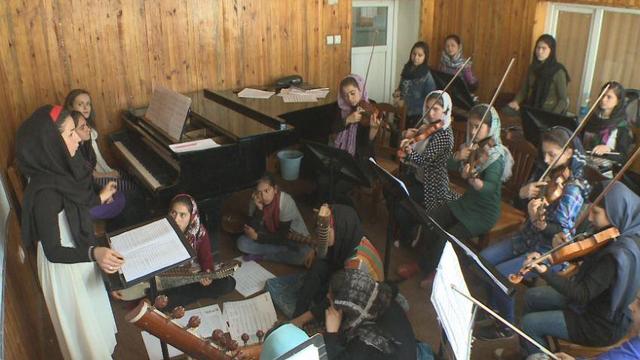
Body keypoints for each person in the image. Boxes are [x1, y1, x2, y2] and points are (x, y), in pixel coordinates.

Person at [16, 105, 123, 359]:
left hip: (81, 253)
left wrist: (99, 199)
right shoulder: (45, 193)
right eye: (70, 133)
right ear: (51, 143)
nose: (77, 137)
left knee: (97, 326)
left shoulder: (60, 170)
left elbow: (75, 203)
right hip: (66, 268)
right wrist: (94, 252)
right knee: (85, 336)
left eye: (75, 130)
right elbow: (53, 251)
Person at [478, 126, 590, 337]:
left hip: (548, 252)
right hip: (526, 238)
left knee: (503, 274)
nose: (546, 160)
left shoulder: (574, 188)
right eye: (544, 153)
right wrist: (522, 193)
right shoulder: (543, 172)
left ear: (569, 153)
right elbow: (525, 207)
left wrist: (539, 222)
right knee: (483, 260)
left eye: (552, 155)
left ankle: (506, 326)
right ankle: (493, 310)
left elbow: (562, 235)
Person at [397, 104, 513, 287]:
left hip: (484, 212)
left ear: (491, 128)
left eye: (478, 127)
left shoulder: (496, 156)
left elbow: (490, 188)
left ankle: (437, 271)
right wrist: (458, 156)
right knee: (432, 218)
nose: (473, 131)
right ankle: (422, 263)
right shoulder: (472, 146)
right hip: (467, 202)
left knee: (449, 236)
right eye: (471, 126)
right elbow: (448, 164)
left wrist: (476, 182)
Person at [521, 181, 640, 357]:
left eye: (596, 212)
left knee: (529, 323)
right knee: (532, 296)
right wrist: (555, 253)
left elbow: (581, 293)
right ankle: (532, 347)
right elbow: (587, 253)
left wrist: (545, 272)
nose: (590, 217)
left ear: (616, 212)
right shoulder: (614, 232)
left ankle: (540, 353)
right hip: (590, 303)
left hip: (599, 323)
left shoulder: (618, 254)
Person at [291, 204, 384, 327]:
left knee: (329, 304)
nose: (321, 235)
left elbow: (338, 298)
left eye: (326, 231)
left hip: (360, 294)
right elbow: (325, 251)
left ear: (341, 229)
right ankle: (298, 311)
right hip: (344, 271)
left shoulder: (358, 262)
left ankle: (300, 318)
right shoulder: (346, 240)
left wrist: (302, 320)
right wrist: (315, 251)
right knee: (319, 267)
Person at [393, 91, 457, 248]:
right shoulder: (427, 127)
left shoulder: (444, 135)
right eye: (428, 108)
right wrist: (407, 137)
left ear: (446, 111)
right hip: (417, 176)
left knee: (401, 206)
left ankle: (409, 233)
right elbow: (417, 144)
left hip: (431, 184)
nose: (430, 113)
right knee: (391, 189)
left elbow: (423, 161)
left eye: (435, 109)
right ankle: (406, 226)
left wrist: (409, 152)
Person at [159, 194, 235, 309]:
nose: (176, 219)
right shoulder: (161, 231)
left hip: (190, 275)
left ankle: (182, 298)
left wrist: (207, 273)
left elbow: (206, 258)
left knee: (228, 284)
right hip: (165, 279)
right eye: (173, 212)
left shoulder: (199, 232)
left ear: (192, 216)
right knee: (162, 301)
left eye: (182, 215)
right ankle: (180, 298)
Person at [324, 269, 417, 360]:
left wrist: (332, 334)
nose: (327, 296)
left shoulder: (365, 342)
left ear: (347, 306)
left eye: (331, 298)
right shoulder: (380, 297)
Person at [319, 74, 382, 206]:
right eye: (345, 95)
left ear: (361, 90)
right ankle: (329, 213)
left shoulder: (369, 109)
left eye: (353, 93)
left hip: (361, 160)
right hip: (343, 155)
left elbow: (366, 145)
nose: (350, 99)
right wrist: (348, 120)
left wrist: (373, 129)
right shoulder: (342, 109)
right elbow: (333, 129)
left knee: (339, 187)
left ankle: (345, 214)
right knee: (323, 179)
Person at [237, 173, 315, 267]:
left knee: (302, 255)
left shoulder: (286, 202)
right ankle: (282, 251)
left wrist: (257, 237)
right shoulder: (255, 200)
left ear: (275, 189)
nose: (263, 196)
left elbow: (282, 235)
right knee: (242, 243)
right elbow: (253, 228)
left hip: (291, 237)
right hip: (268, 235)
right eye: (259, 192)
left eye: (267, 190)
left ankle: (263, 256)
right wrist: (259, 209)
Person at [507, 34, 570, 114]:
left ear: (551, 51)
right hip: (531, 108)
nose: (540, 52)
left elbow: (563, 100)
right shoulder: (532, 68)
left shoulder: (558, 71)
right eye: (538, 48)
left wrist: (553, 115)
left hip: (548, 112)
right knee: (506, 111)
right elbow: (524, 90)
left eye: (544, 48)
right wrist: (516, 101)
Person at [583, 81, 635, 164]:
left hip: (605, 167)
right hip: (584, 159)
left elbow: (624, 157)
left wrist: (608, 149)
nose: (603, 99)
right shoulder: (592, 118)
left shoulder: (622, 125)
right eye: (602, 95)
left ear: (618, 101)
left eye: (609, 97)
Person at [393, 41, 437, 128]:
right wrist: (397, 92)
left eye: (420, 55)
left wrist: (406, 103)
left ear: (425, 57)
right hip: (402, 112)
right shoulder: (407, 68)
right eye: (414, 54)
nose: (416, 57)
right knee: (396, 137)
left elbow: (429, 99)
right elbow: (401, 87)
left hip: (416, 115)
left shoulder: (427, 75)